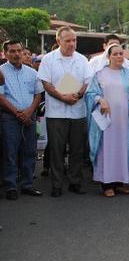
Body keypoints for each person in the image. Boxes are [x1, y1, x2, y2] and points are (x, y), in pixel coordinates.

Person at [38, 26, 94, 197]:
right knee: (56, 150)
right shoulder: (48, 59)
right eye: (68, 40)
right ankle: (56, 184)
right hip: (56, 112)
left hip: (77, 111)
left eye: (74, 40)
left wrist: (77, 94)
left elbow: (87, 81)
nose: (72, 44)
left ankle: (75, 182)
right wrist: (63, 97)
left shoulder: (82, 59)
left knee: (77, 149)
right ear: (58, 41)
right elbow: (46, 83)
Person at [85, 44, 129, 197]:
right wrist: (100, 99)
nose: (119, 56)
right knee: (107, 150)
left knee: (122, 150)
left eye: (121, 54)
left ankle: (120, 183)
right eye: (115, 54)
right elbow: (90, 93)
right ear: (108, 56)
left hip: (125, 120)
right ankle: (106, 184)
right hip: (107, 120)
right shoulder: (100, 74)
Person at [0, 40, 44, 200]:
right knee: (10, 153)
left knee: (29, 151)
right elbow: (1, 96)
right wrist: (18, 113)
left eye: (19, 50)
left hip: (29, 117)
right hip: (10, 118)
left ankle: (27, 184)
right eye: (12, 51)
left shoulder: (31, 72)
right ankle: (10, 186)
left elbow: (38, 94)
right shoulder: (1, 72)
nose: (17, 54)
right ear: (5, 54)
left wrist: (29, 111)